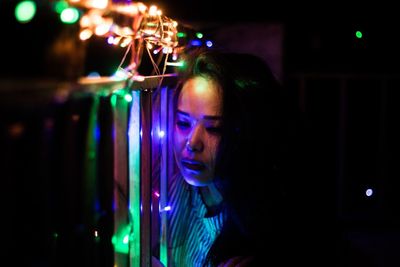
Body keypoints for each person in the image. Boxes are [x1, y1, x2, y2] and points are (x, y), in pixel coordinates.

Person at [158, 46, 300, 267]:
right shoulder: (168, 187)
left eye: (215, 129)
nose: (192, 143)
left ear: (249, 131)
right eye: (183, 123)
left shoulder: (273, 224)